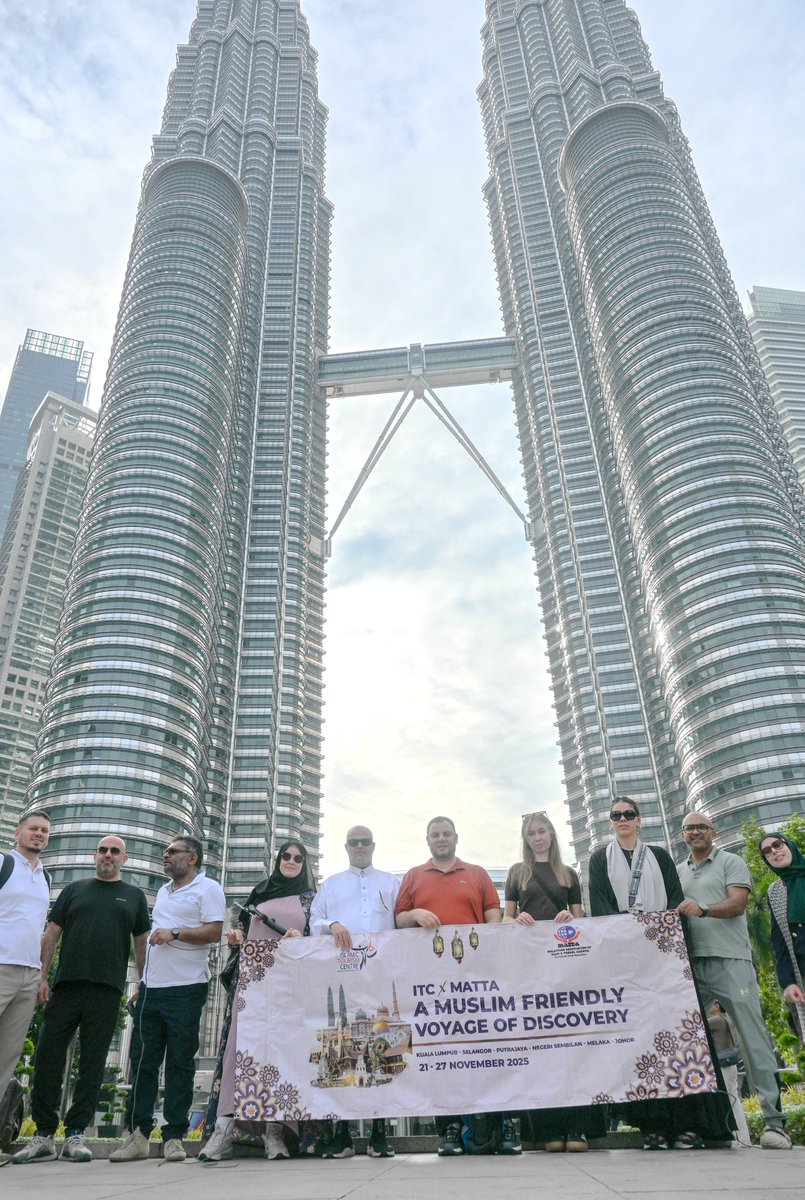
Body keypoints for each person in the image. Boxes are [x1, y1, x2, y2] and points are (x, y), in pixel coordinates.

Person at [589, 797, 730, 1150]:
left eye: (629, 814)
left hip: (665, 958)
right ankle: (651, 1125)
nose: (622, 819)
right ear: (611, 822)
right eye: (616, 815)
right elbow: (601, 908)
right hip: (627, 961)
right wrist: (629, 935)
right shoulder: (598, 859)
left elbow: (675, 901)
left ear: (639, 820)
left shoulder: (660, 857)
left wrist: (655, 934)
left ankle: (691, 1123)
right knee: (642, 1044)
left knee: (682, 1037)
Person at [11, 835, 150, 1165]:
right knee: (47, 1057)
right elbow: (51, 935)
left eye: (115, 851)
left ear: (124, 859)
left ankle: (75, 1132)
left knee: (92, 1063)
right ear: (94, 855)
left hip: (107, 990)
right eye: (103, 850)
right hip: (65, 986)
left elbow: (142, 943)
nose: (108, 855)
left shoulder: (134, 896)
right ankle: (44, 1134)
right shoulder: (73, 890)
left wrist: (144, 983)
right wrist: (42, 977)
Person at [395, 816, 515, 1156]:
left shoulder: (476, 873)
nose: (441, 839)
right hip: (431, 982)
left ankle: (502, 1124)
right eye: (435, 834)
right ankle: (447, 1129)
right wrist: (417, 912)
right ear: (428, 840)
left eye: (446, 833)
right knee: (441, 1054)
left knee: (490, 1051)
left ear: (456, 837)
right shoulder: (414, 876)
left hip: (476, 979)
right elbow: (399, 919)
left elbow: (493, 915)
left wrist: (488, 950)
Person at [677, 811, 790, 1150]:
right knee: (688, 1047)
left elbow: (738, 904)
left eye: (701, 827)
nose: (695, 832)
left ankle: (774, 1124)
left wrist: (704, 908)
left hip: (732, 962)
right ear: (683, 835)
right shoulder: (679, 871)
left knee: (753, 1040)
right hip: (692, 966)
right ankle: (701, 1125)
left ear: (713, 832)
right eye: (689, 828)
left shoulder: (731, 861)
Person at [110, 835, 225, 1163]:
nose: (165, 855)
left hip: (187, 988)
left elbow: (214, 932)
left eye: (172, 852)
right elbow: (152, 938)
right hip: (152, 990)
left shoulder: (208, 889)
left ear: (192, 858)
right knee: (142, 1062)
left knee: (179, 1063)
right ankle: (138, 1136)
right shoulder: (163, 891)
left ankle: (174, 1136)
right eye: (165, 852)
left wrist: (175, 932)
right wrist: (143, 982)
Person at [199, 840, 315, 1163]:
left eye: (297, 858)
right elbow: (241, 930)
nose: (291, 861)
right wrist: (236, 937)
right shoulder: (259, 892)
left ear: (304, 863)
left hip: (289, 986)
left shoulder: (310, 899)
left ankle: (275, 1132)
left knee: (282, 1053)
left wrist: (303, 938)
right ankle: (222, 1129)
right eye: (286, 856)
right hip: (252, 983)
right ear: (277, 859)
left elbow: (318, 936)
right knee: (239, 1049)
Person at [504, 810, 605, 1152]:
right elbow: (506, 917)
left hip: (567, 964)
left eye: (542, 831)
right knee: (542, 1045)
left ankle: (577, 1127)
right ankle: (547, 1129)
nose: (538, 837)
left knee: (574, 1045)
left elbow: (581, 919)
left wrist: (569, 918)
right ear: (526, 838)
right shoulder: (518, 873)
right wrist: (518, 919)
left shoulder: (569, 873)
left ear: (551, 834)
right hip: (532, 967)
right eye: (532, 832)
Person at [309, 824, 400, 1159]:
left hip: (380, 978)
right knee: (342, 1053)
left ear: (373, 846)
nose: (360, 846)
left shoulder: (392, 884)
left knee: (382, 1054)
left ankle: (380, 1134)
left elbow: (403, 922)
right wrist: (331, 924)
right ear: (346, 847)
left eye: (365, 842)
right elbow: (313, 921)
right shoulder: (331, 886)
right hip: (342, 979)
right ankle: (343, 1135)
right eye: (354, 842)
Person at [0, 812, 51, 1107]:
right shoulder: (4, 864)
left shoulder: (45, 876)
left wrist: (42, 976)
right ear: (18, 833)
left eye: (44, 831)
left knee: (7, 1057)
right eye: (33, 829)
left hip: (29, 975)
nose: (39, 834)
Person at [759, 832, 805, 1046]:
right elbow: (779, 941)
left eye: (777, 845)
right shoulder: (776, 891)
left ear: (788, 844)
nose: (774, 851)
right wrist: (787, 982)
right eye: (766, 851)